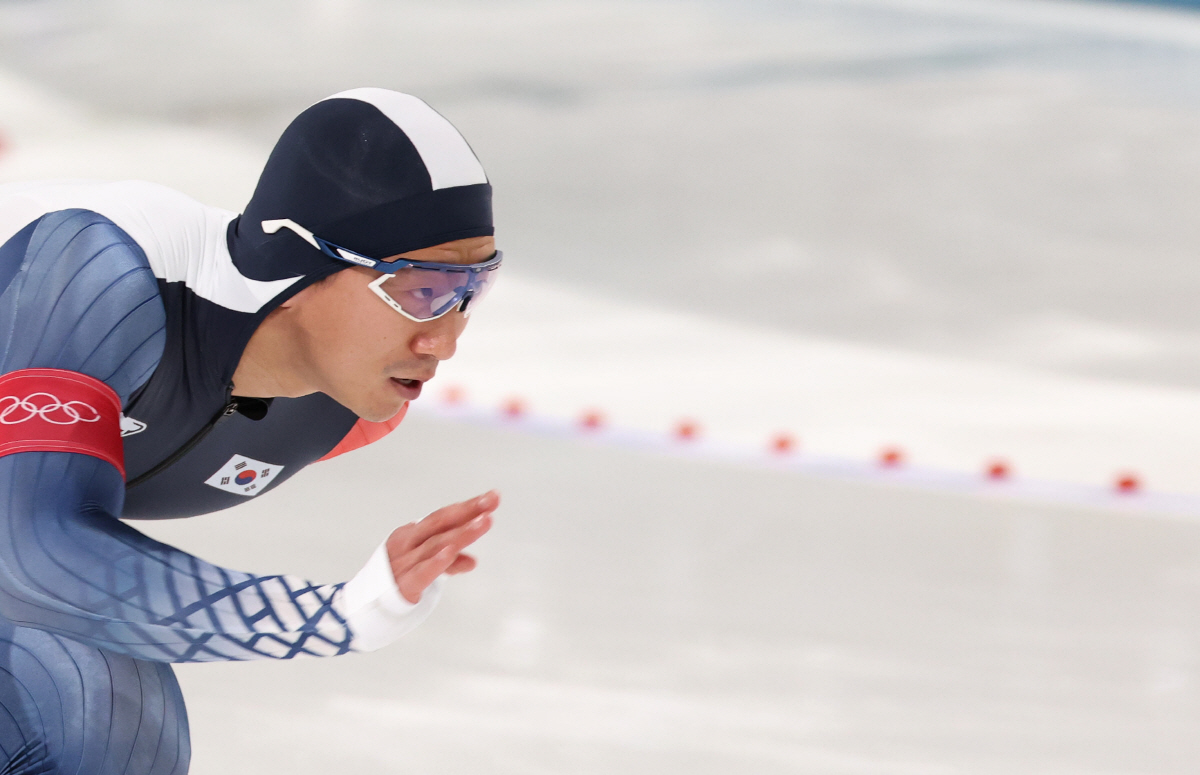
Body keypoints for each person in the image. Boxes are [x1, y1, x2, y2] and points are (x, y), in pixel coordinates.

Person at [0, 88, 500, 774]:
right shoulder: (101, 269)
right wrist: (332, 615)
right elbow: (29, 550)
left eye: (475, 288)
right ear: (304, 263)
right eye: (423, 290)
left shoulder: (349, 411)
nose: (444, 340)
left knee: (107, 719)